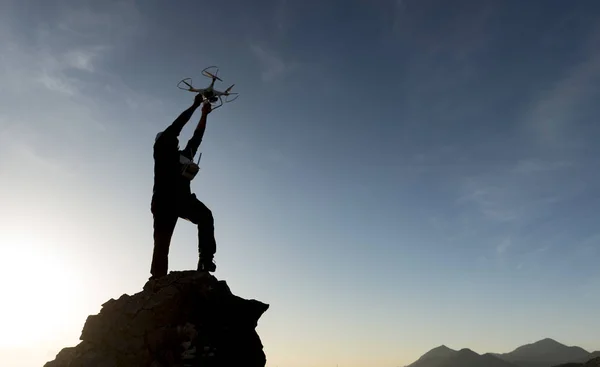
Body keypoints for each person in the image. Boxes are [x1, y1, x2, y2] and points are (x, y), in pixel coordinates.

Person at [149, 93, 217, 280]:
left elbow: (197, 137)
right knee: (162, 242)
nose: (175, 139)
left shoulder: (184, 155)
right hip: (163, 201)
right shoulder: (161, 150)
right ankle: (157, 278)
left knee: (205, 216)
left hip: (182, 200)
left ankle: (205, 260)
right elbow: (177, 126)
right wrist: (195, 106)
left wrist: (204, 114)